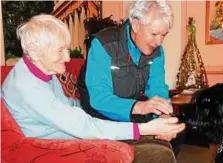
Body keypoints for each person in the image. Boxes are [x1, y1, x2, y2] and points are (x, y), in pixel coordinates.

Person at [1, 14, 185, 163]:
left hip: (74, 134)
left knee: (160, 143)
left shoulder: (38, 70)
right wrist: (142, 128)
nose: (67, 58)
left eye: (67, 49)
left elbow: (70, 107)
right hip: (58, 149)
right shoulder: (28, 89)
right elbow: (80, 124)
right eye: (60, 51)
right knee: (158, 154)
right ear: (34, 52)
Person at [77, 0, 185, 157]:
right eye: (154, 34)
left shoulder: (157, 52)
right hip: (101, 118)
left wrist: (163, 114)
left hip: (133, 112)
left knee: (176, 131)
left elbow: (157, 87)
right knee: (159, 153)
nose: (159, 42)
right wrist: (140, 107)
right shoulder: (103, 44)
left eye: (164, 34)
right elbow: (99, 99)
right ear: (136, 25)